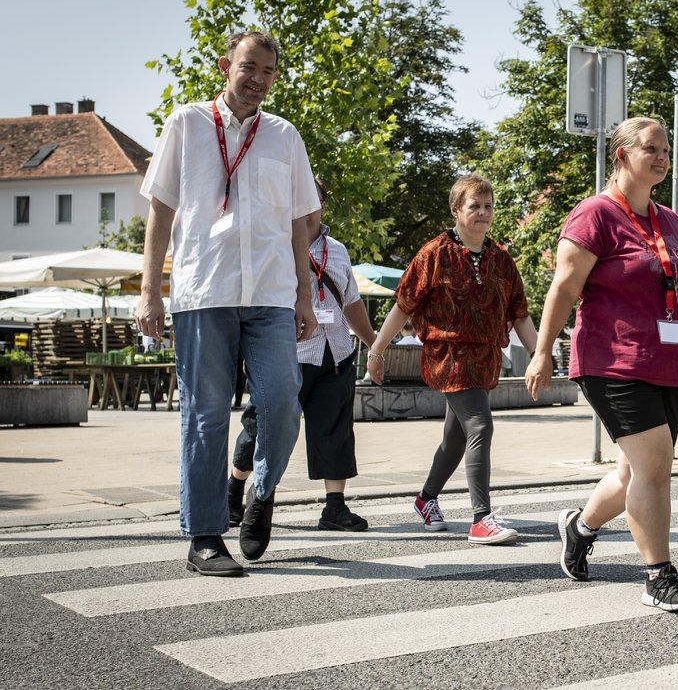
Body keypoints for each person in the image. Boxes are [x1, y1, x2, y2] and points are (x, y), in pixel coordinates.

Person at [524, 116, 678, 613]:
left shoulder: (671, 221)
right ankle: (658, 578)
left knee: (633, 473)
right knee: (656, 467)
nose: (663, 157)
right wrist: (542, 351)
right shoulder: (594, 214)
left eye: (666, 150)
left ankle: (579, 528)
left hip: (669, 362)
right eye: (652, 149)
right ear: (622, 155)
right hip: (613, 360)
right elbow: (564, 286)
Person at [136, 30, 320, 577]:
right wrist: (149, 290)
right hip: (204, 290)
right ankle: (205, 535)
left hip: (270, 294)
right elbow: (161, 211)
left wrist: (304, 296)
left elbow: (299, 224)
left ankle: (260, 491)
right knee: (205, 415)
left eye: (268, 71)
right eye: (249, 67)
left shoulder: (284, 136)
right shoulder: (186, 124)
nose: (259, 80)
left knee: (282, 404)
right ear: (225, 66)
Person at [368, 174, 537, 545]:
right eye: (474, 205)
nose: (483, 212)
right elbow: (403, 305)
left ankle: (426, 498)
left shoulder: (501, 258)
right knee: (480, 425)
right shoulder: (434, 254)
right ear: (456, 209)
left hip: (485, 359)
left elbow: (520, 313)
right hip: (449, 356)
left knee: (456, 437)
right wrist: (377, 350)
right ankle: (481, 518)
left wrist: (539, 356)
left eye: (488, 206)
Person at [229, 179, 378, 533]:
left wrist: (374, 344)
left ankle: (335, 508)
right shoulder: (274, 247)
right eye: (301, 199)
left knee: (336, 430)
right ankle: (233, 492)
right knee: (261, 427)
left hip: (335, 354)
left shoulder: (337, 251)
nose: (309, 207)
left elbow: (351, 302)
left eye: (315, 200)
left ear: (323, 205)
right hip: (285, 356)